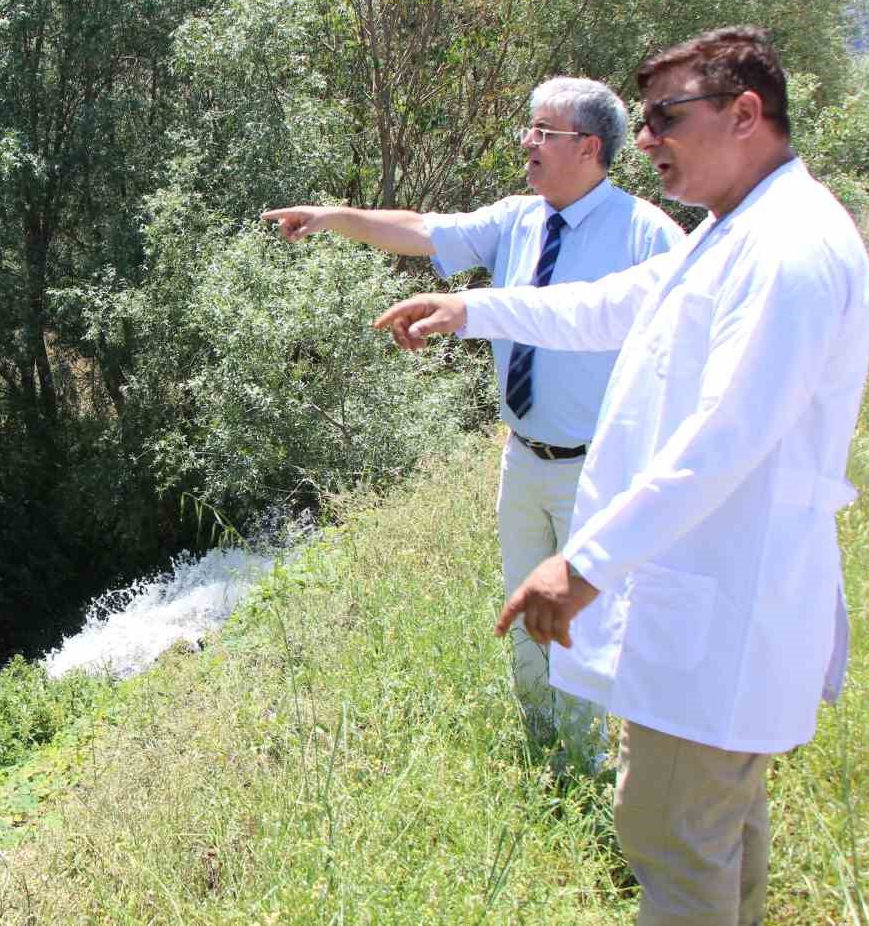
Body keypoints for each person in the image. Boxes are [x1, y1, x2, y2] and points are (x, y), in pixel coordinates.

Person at [374, 26, 869, 925]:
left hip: (726, 604)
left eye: (664, 119)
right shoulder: (733, 232)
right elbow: (612, 304)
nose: (643, 142)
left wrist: (584, 563)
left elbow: (725, 437)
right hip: (714, 601)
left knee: (671, 837)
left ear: (745, 114)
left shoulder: (788, 250)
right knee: (718, 833)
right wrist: (470, 308)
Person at [263, 78, 681, 754]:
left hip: (600, 468)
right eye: (530, 128)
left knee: (590, 622)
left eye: (545, 131)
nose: (528, 141)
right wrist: (335, 216)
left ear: (590, 147)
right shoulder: (519, 216)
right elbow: (424, 233)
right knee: (522, 609)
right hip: (523, 460)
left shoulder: (646, 234)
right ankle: (541, 744)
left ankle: (593, 763)